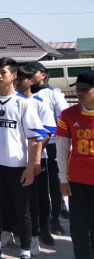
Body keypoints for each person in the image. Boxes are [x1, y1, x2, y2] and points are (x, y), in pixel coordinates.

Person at [0, 57, 45, 259]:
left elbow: (34, 139)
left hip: (17, 166)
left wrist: (31, 167)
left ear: (14, 76)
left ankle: (25, 250)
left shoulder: (24, 103)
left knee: (22, 210)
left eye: (3, 72)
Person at [6, 66, 57, 254]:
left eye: (21, 80)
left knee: (38, 198)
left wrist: (34, 155)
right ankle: (12, 230)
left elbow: (47, 133)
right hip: (15, 159)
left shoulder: (39, 103)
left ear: (31, 81)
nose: (18, 83)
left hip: (36, 160)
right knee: (14, 197)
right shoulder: (11, 102)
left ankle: (40, 233)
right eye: (16, 79)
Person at [28, 61, 69, 236]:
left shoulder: (53, 95)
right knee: (37, 186)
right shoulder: (24, 95)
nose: (30, 76)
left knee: (53, 184)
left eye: (33, 73)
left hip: (51, 146)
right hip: (31, 146)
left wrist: (62, 148)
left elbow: (64, 121)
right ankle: (35, 220)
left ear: (43, 75)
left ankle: (55, 218)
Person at [56, 69, 94, 259]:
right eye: (78, 88)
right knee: (78, 227)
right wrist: (63, 179)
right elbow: (62, 149)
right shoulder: (68, 114)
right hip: (77, 181)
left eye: (85, 89)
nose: (79, 92)